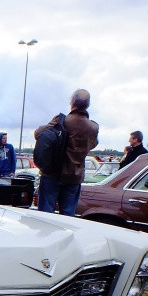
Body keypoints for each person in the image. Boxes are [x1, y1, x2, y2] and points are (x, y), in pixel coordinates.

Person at [34, 88, 99, 216]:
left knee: (45, 216)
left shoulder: (61, 121)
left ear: (73, 103)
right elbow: (93, 144)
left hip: (52, 174)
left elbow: (38, 134)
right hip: (74, 177)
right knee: (68, 216)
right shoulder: (93, 127)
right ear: (88, 105)